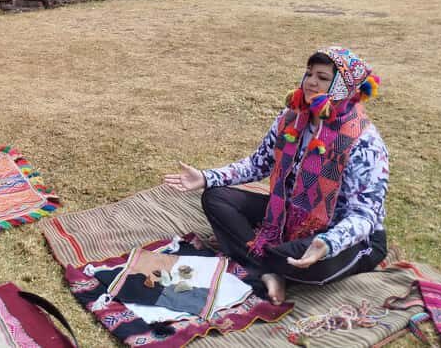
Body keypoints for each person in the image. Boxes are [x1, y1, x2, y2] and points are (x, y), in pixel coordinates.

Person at [164, 46, 389, 305]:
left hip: (346, 234)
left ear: (343, 87)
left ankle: (264, 264)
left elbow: (365, 216)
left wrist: (327, 243)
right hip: (286, 215)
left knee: (297, 259)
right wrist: (206, 177)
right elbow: (257, 164)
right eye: (309, 74)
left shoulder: (364, 141)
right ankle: (270, 270)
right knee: (215, 199)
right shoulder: (291, 118)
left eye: (323, 77)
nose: (311, 82)